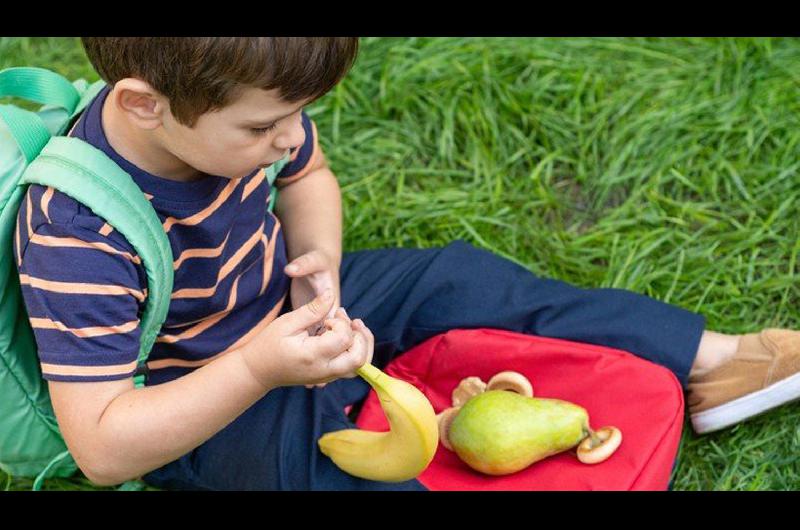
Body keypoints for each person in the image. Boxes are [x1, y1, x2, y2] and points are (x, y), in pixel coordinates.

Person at [13, 37, 800, 491]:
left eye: (299, 114)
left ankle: (717, 362)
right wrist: (259, 368)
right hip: (202, 401)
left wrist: (318, 261)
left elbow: (308, 178)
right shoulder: (77, 234)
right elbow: (106, 448)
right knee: (342, 472)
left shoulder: (240, 120)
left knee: (460, 279)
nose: (290, 138)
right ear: (144, 103)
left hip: (280, 308)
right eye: (267, 125)